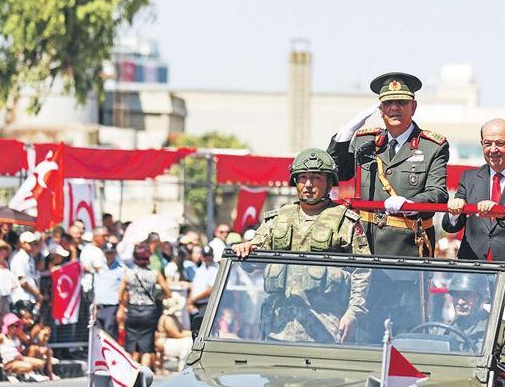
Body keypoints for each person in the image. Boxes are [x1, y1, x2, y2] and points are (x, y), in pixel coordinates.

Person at [232, 148, 370, 343]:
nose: (308, 184)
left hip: (326, 326)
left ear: (329, 182)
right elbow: (254, 254)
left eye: (316, 178)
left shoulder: (346, 221)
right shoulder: (278, 218)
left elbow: (363, 271)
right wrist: (245, 249)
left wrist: (353, 312)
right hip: (278, 325)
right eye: (303, 177)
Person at [327, 71, 449, 257]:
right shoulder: (365, 141)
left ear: (413, 107)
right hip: (365, 245)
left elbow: (438, 192)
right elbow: (335, 174)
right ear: (381, 109)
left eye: (401, 102)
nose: (394, 108)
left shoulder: (432, 146)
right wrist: (344, 135)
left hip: (408, 246)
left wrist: (411, 204)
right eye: (388, 103)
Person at [442, 118, 505, 324]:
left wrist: (502, 213)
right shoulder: (469, 177)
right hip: (475, 276)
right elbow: (451, 225)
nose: (493, 149)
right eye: (487, 143)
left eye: (499, 143)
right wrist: (454, 211)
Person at [117, 244, 171, 370]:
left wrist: (126, 304)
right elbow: (168, 293)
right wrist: (156, 297)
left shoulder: (128, 274)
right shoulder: (155, 274)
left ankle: (131, 373)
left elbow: (120, 295)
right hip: (149, 311)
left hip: (133, 311)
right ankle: (144, 375)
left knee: (132, 345)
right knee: (147, 346)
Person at [93, 242, 125, 339]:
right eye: (107, 253)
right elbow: (97, 288)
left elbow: (123, 291)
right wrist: (94, 307)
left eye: (111, 253)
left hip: (112, 307)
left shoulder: (121, 269)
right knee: (98, 336)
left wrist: (121, 308)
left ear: (115, 253)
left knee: (110, 336)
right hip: (99, 307)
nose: (109, 256)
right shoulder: (100, 268)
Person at [155, 295, 193, 372]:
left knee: (189, 340)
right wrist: (190, 334)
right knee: (187, 343)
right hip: (164, 342)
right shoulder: (167, 319)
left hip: (171, 341)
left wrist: (190, 333)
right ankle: (182, 366)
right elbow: (176, 335)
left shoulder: (173, 317)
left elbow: (181, 331)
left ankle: (183, 364)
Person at [10, 231, 44, 309]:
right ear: (23, 243)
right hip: (22, 297)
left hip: (30, 297)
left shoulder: (30, 258)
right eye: (30, 243)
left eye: (34, 243)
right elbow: (23, 282)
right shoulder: (19, 258)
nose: (33, 246)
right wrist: (37, 294)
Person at [187, 245, 218, 318]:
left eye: (209, 255)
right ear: (201, 256)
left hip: (207, 304)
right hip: (195, 304)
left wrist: (193, 300)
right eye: (205, 255)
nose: (207, 258)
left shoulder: (216, 269)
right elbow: (194, 286)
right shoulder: (200, 269)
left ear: (213, 256)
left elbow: (210, 290)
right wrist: (190, 302)